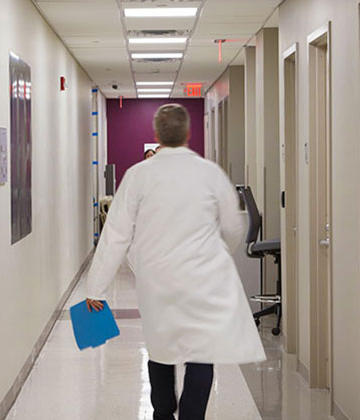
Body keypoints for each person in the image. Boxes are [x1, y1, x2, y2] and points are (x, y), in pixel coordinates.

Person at [85, 104, 265, 420]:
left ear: (156, 136)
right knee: (201, 352)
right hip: (202, 279)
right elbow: (233, 227)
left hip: (156, 279)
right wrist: (213, 253)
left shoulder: (137, 175)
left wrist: (95, 289)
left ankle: (163, 415)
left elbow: (115, 234)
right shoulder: (210, 173)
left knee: (161, 349)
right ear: (188, 134)